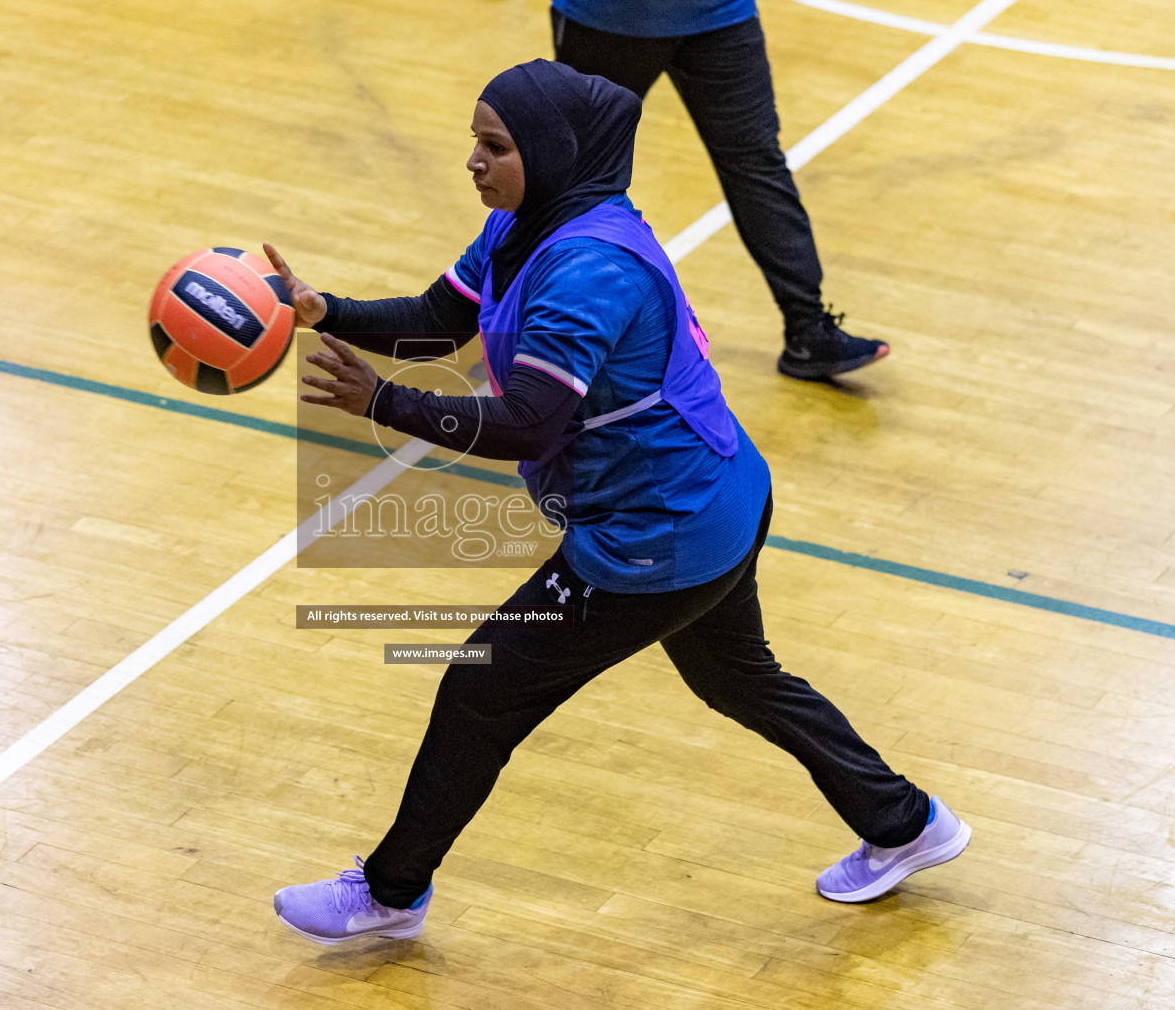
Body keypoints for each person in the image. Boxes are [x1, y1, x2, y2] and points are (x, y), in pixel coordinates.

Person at [263, 60, 967, 945]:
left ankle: (392, 892)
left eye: (495, 147)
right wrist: (326, 309)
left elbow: (526, 421)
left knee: (483, 690)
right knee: (737, 678)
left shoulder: (590, 269)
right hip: (722, 493)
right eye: (475, 142)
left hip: (657, 537)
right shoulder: (529, 225)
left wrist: (383, 403)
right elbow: (443, 317)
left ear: (552, 154)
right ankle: (907, 822)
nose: (473, 163)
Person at [545, 0, 887, 380]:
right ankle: (543, 328)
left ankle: (807, 328)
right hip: (608, 20)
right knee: (578, 174)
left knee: (756, 165)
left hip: (720, 16)